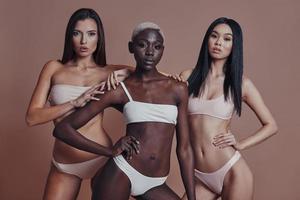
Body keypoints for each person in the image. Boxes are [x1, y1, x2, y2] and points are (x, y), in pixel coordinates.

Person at [53, 22, 196, 200]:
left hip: (156, 182)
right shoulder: (119, 90)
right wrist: (109, 151)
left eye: (157, 46)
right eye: (143, 45)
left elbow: (185, 149)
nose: (150, 52)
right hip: (123, 172)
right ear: (131, 47)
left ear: (162, 49)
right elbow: (62, 129)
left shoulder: (178, 89)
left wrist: (192, 197)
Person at [26, 8, 132, 200]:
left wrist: (130, 72)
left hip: (101, 158)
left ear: (99, 38)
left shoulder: (108, 72)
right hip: (64, 163)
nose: (84, 41)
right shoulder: (53, 68)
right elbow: (32, 117)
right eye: (77, 33)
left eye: (91, 34)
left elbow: (158, 77)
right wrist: (74, 103)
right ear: (70, 36)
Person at [178, 17, 278, 199]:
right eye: (214, 36)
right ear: (207, 40)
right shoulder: (188, 77)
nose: (218, 43)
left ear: (234, 45)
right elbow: (153, 79)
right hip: (199, 176)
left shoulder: (241, 84)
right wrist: (125, 71)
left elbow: (271, 125)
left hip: (232, 172)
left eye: (227, 39)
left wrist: (241, 144)